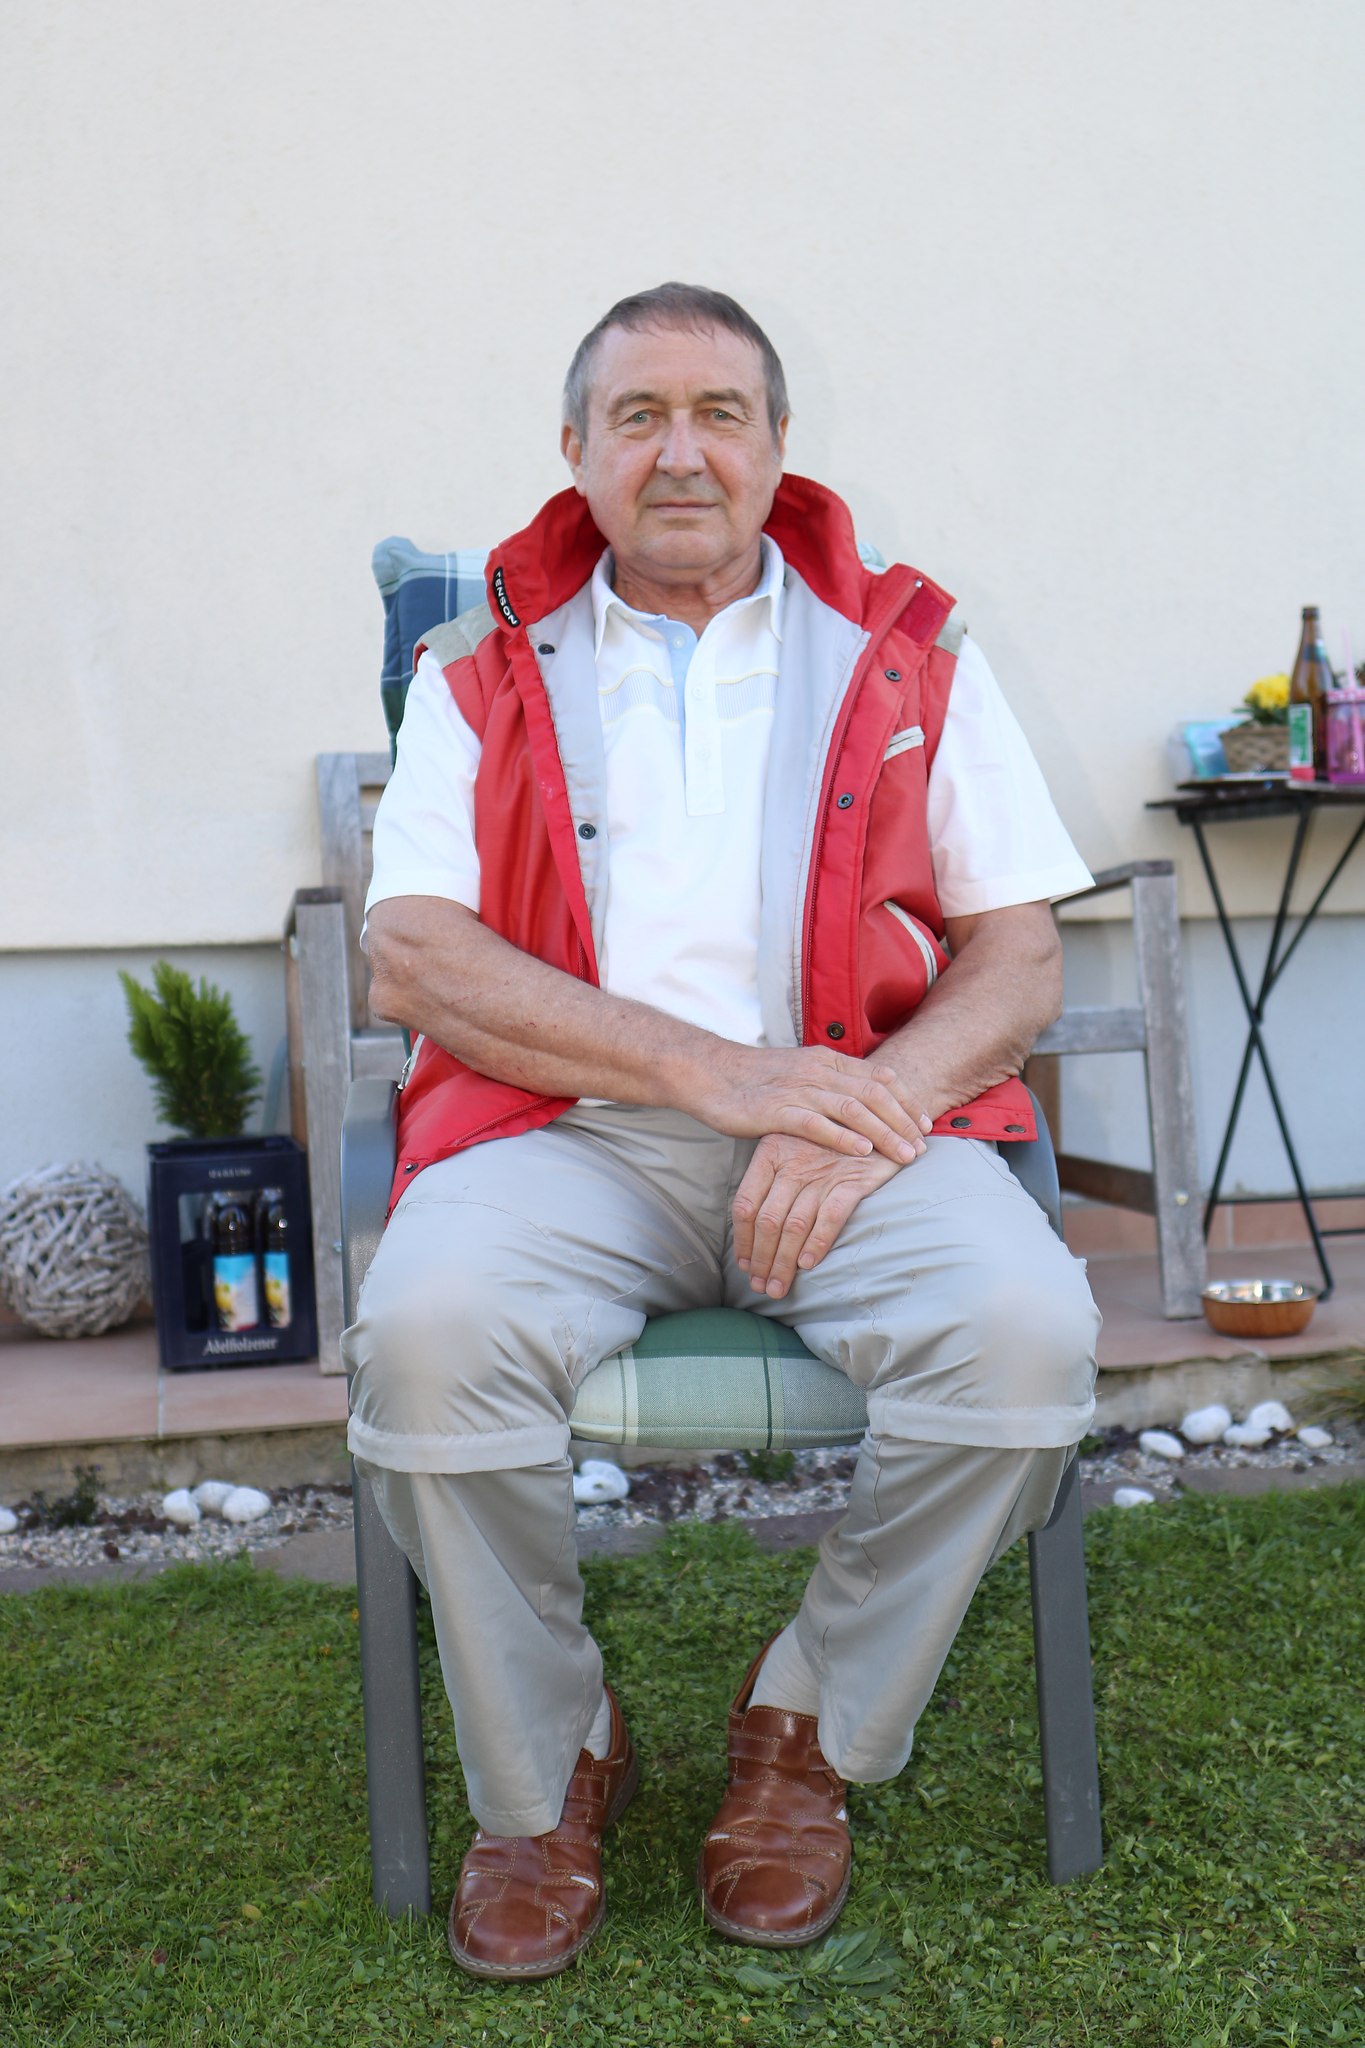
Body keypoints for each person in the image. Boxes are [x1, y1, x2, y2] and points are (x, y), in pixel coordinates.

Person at [345, 282, 1100, 1981]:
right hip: (564, 1131)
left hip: (854, 1128)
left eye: (717, 414)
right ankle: (549, 1768)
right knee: (427, 1332)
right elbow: (417, 954)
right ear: (575, 450)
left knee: (1022, 1333)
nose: (678, 452)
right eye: (637, 416)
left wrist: (867, 1103)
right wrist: (718, 1077)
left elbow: (1019, 955)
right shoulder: (476, 666)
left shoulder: (911, 648)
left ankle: (804, 1728)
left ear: (776, 446)